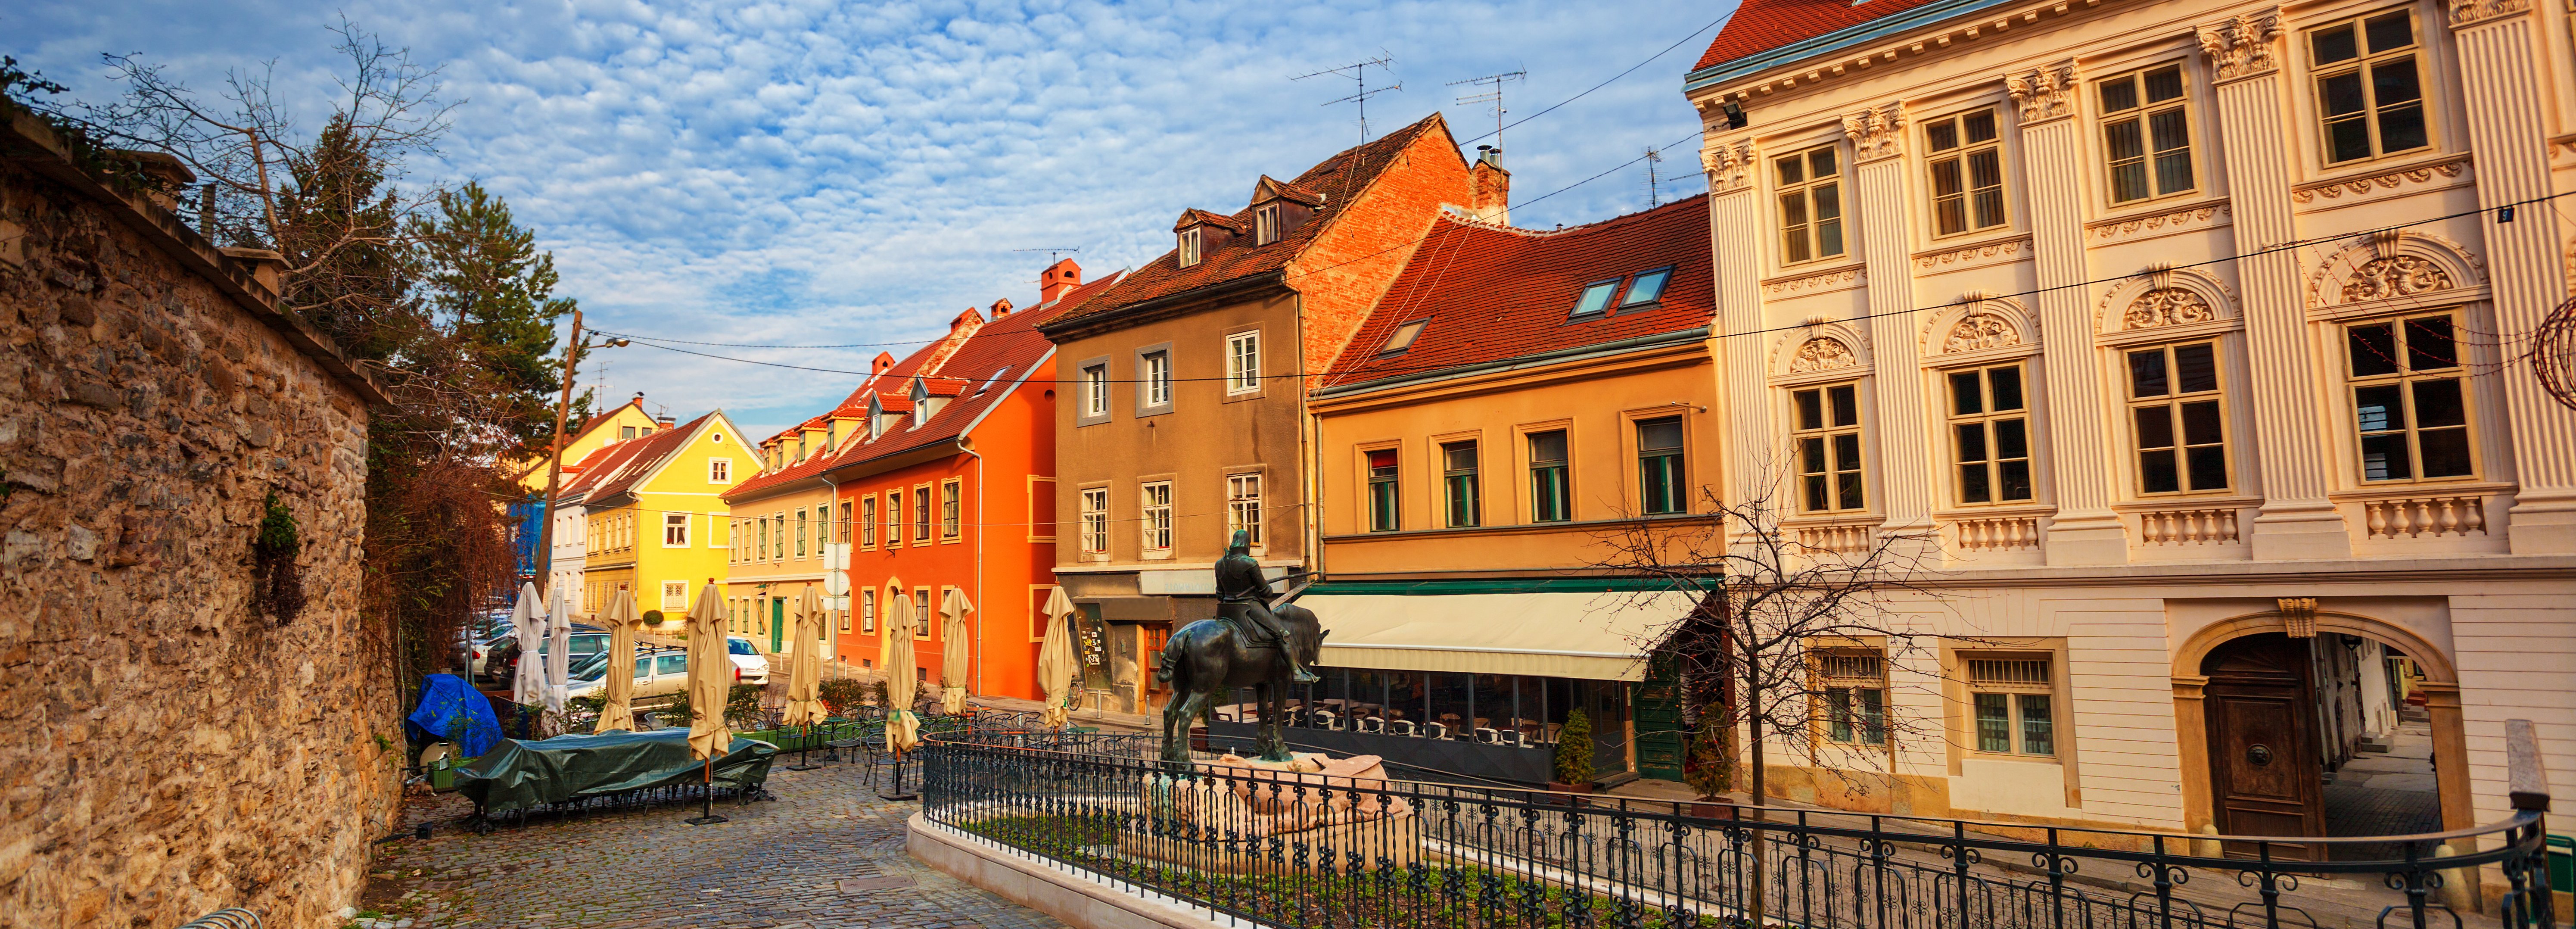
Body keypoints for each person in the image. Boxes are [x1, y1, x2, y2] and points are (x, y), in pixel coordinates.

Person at [1214, 529, 1318, 683]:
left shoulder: (1220, 564)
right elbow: (1266, 592)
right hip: (1248, 608)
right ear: (1246, 545)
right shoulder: (1250, 563)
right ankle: (1296, 672)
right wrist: (1263, 587)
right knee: (1282, 633)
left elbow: (1220, 593)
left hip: (1226, 612)